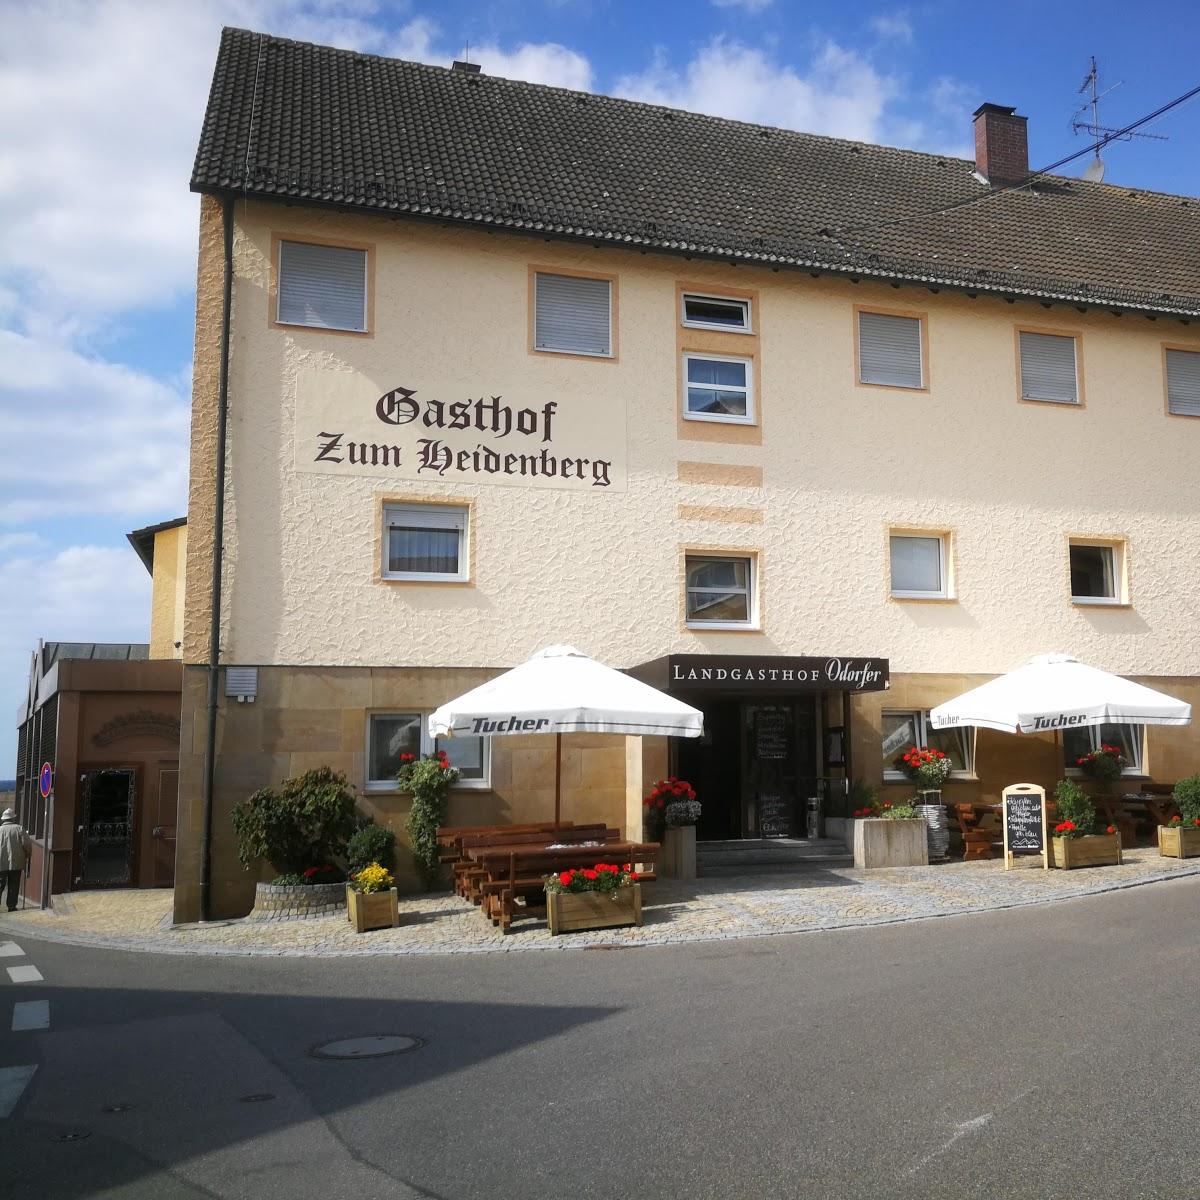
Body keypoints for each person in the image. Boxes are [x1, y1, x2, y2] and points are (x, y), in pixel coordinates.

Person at [0, 808, 32, 912]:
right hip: (16, 862)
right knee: (14, 884)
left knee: (0, 884)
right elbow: (27, 844)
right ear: (13, 818)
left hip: (1, 862)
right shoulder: (19, 829)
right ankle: (11, 906)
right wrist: (28, 854)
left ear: (4, 819)